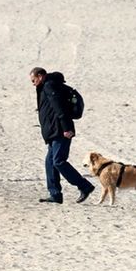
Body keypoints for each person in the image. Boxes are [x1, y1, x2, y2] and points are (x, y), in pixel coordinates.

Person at [30, 67, 94, 204]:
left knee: (58, 161)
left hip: (60, 131)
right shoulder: (47, 86)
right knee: (50, 162)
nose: (33, 83)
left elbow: (59, 108)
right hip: (53, 131)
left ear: (40, 76)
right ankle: (55, 194)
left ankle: (85, 186)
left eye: (34, 80)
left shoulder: (49, 86)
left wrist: (67, 128)